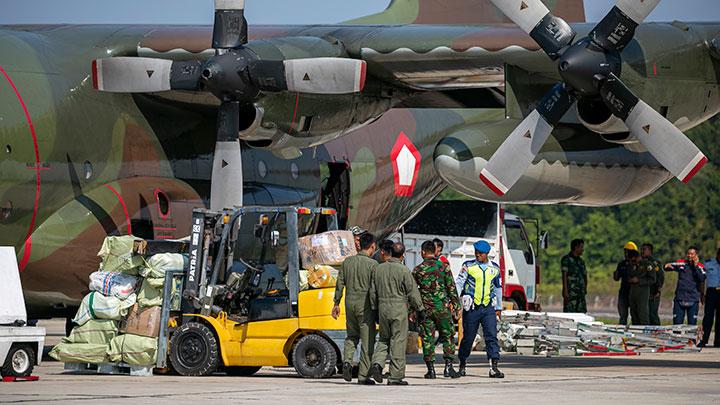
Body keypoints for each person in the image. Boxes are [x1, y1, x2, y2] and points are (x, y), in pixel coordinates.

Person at [369, 242, 423, 386]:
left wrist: (374, 310)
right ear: (403, 255)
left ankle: (377, 364)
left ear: (390, 252)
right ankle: (395, 376)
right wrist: (420, 309)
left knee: (383, 339)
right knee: (398, 341)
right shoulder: (403, 270)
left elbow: (373, 292)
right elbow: (412, 292)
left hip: (382, 308)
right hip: (398, 308)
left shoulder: (378, 269)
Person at [332, 232, 378, 385]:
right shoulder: (373, 265)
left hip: (349, 304)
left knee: (351, 336)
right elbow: (374, 289)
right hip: (365, 306)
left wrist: (336, 303)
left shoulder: (347, 262)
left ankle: (347, 362)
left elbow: (340, 284)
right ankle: (363, 376)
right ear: (372, 246)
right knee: (367, 341)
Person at [412, 241, 461, 380]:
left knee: (427, 339)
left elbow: (413, 293)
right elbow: (452, 288)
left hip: (425, 310)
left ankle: (431, 370)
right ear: (435, 251)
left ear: (422, 252)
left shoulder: (417, 270)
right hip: (442, 309)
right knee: (448, 336)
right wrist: (457, 306)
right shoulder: (444, 267)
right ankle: (448, 367)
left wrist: (412, 310)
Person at [457, 240, 504, 379]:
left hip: (488, 307)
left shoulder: (494, 269)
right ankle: (462, 363)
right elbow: (459, 283)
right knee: (468, 338)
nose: (478, 255)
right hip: (472, 308)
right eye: (476, 253)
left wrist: (499, 307)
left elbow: (498, 288)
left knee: (491, 336)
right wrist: (455, 301)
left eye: (480, 253)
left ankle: (494, 367)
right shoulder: (468, 266)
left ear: (487, 254)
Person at [665, 246, 707, 325]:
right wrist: (667, 266)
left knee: (691, 326)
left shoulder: (700, 267)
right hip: (680, 299)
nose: (690, 256)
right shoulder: (682, 263)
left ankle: (691, 338)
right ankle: (677, 337)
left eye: (692, 254)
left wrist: (695, 266)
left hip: (693, 300)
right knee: (677, 325)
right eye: (688, 254)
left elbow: (702, 278)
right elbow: (668, 266)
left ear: (696, 255)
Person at [627, 250, 656, 325]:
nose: (632, 262)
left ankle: (645, 331)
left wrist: (639, 280)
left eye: (633, 260)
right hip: (633, 292)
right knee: (633, 313)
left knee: (643, 313)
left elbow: (652, 279)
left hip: (643, 292)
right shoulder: (631, 265)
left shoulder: (647, 265)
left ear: (637, 257)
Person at [613, 242, 637, 325]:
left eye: (629, 252)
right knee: (623, 315)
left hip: (634, 292)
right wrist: (616, 274)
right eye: (625, 251)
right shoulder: (622, 264)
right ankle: (622, 332)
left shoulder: (638, 263)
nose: (626, 254)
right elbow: (616, 278)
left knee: (635, 315)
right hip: (624, 292)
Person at [700, 248, 720, 347]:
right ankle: (704, 340)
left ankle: (718, 342)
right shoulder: (709, 263)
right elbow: (703, 279)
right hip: (711, 292)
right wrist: (702, 293)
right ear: (717, 255)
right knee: (708, 318)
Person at [561, 239, 587, 313]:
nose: (583, 249)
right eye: (581, 247)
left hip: (580, 294)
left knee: (582, 314)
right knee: (570, 313)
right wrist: (565, 291)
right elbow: (564, 276)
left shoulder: (581, 261)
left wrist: (585, 288)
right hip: (571, 293)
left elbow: (585, 275)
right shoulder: (566, 259)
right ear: (576, 247)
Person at [642, 243, 665, 326]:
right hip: (643, 292)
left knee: (652, 313)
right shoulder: (640, 262)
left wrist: (658, 289)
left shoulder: (654, 263)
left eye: (644, 249)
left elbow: (660, 275)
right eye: (641, 249)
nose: (642, 251)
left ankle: (657, 331)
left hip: (653, 292)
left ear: (650, 251)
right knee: (643, 314)